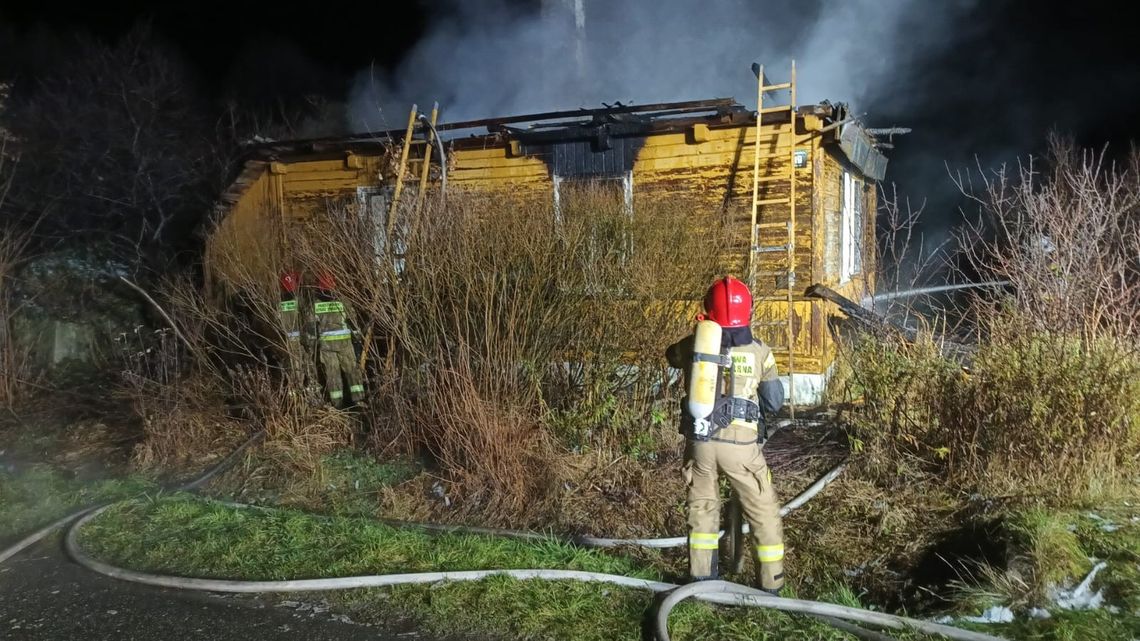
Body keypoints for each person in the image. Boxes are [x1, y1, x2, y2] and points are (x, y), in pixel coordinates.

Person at [666, 275, 787, 594]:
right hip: (742, 448)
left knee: (702, 506)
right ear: (746, 312)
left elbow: (671, 356)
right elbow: (775, 401)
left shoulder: (694, 344)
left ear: (708, 309)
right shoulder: (761, 351)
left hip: (701, 441)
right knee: (762, 511)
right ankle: (770, 585)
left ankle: (701, 579)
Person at [313, 272, 365, 407]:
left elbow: (310, 328)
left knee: (332, 375)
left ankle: (337, 403)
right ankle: (358, 400)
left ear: (319, 287)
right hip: (344, 344)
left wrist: (309, 344)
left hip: (326, 347)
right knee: (352, 371)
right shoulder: (343, 301)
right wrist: (358, 339)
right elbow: (353, 321)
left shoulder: (315, 305)